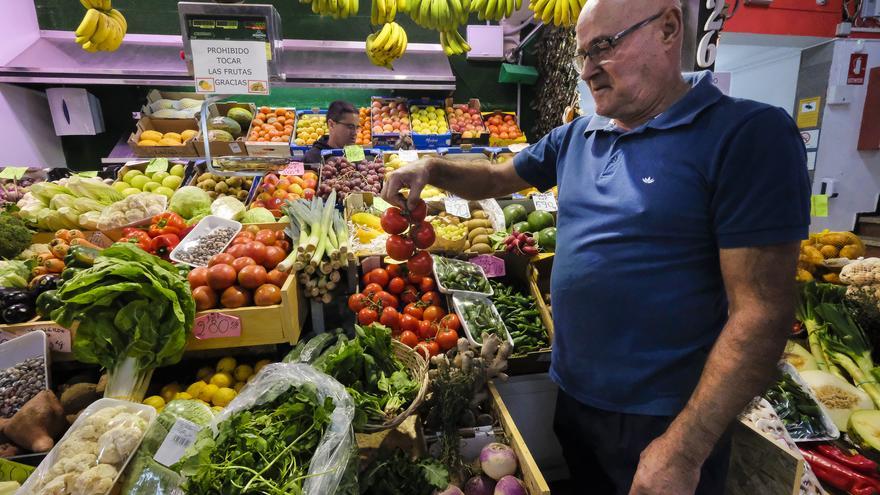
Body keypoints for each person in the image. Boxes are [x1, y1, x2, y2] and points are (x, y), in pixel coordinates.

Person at [381, 0, 811, 493]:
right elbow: (497, 178)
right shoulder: (576, 137)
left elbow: (762, 314)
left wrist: (685, 447)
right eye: (581, 54)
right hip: (575, 396)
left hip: (664, 417)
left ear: (668, 29)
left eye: (603, 47)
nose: (587, 70)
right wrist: (433, 168)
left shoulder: (747, 135)